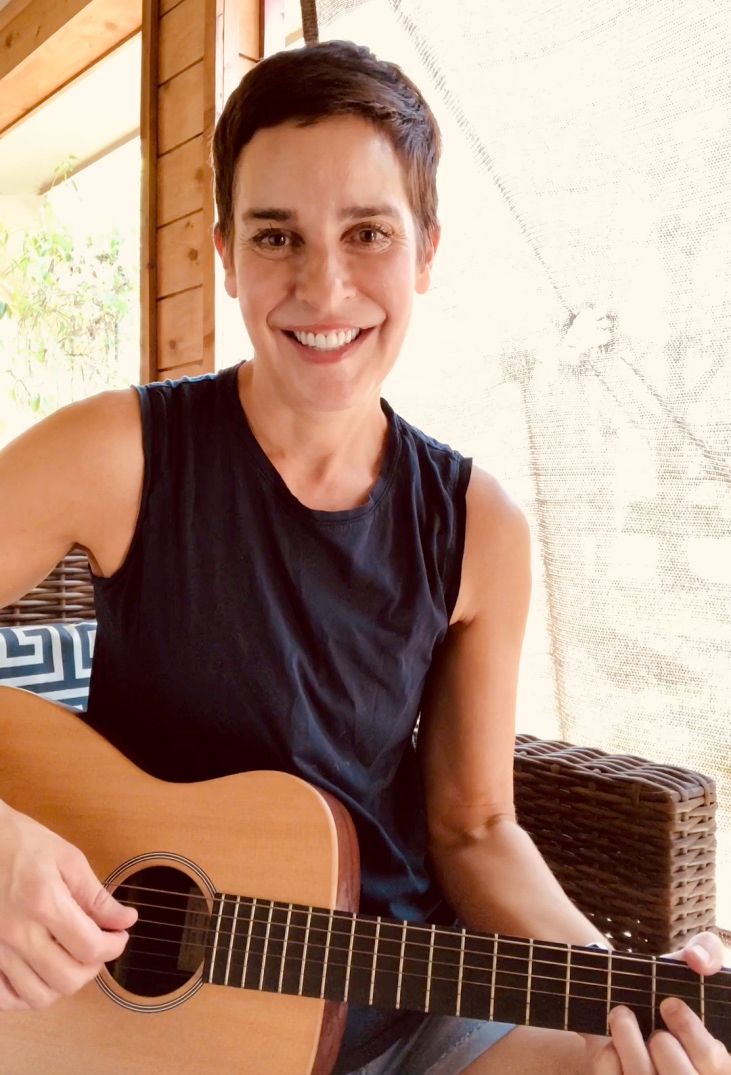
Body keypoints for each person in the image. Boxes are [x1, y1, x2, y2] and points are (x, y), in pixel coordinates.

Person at [0, 40, 727, 1075]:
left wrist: (619, 995)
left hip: (408, 1010)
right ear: (223, 253)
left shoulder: (479, 525)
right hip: (132, 1019)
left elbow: (474, 827)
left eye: (368, 233)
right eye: (276, 236)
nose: (323, 286)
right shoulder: (117, 454)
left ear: (426, 250)